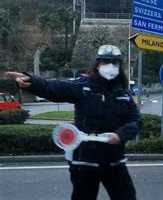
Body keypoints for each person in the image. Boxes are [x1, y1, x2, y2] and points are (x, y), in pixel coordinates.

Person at [5, 44, 140, 200]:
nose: (110, 66)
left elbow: (135, 120)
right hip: (84, 162)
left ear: (120, 66)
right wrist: (33, 82)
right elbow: (56, 87)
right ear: (97, 64)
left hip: (114, 161)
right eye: (105, 62)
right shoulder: (83, 86)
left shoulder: (123, 93)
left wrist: (121, 135)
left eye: (114, 62)